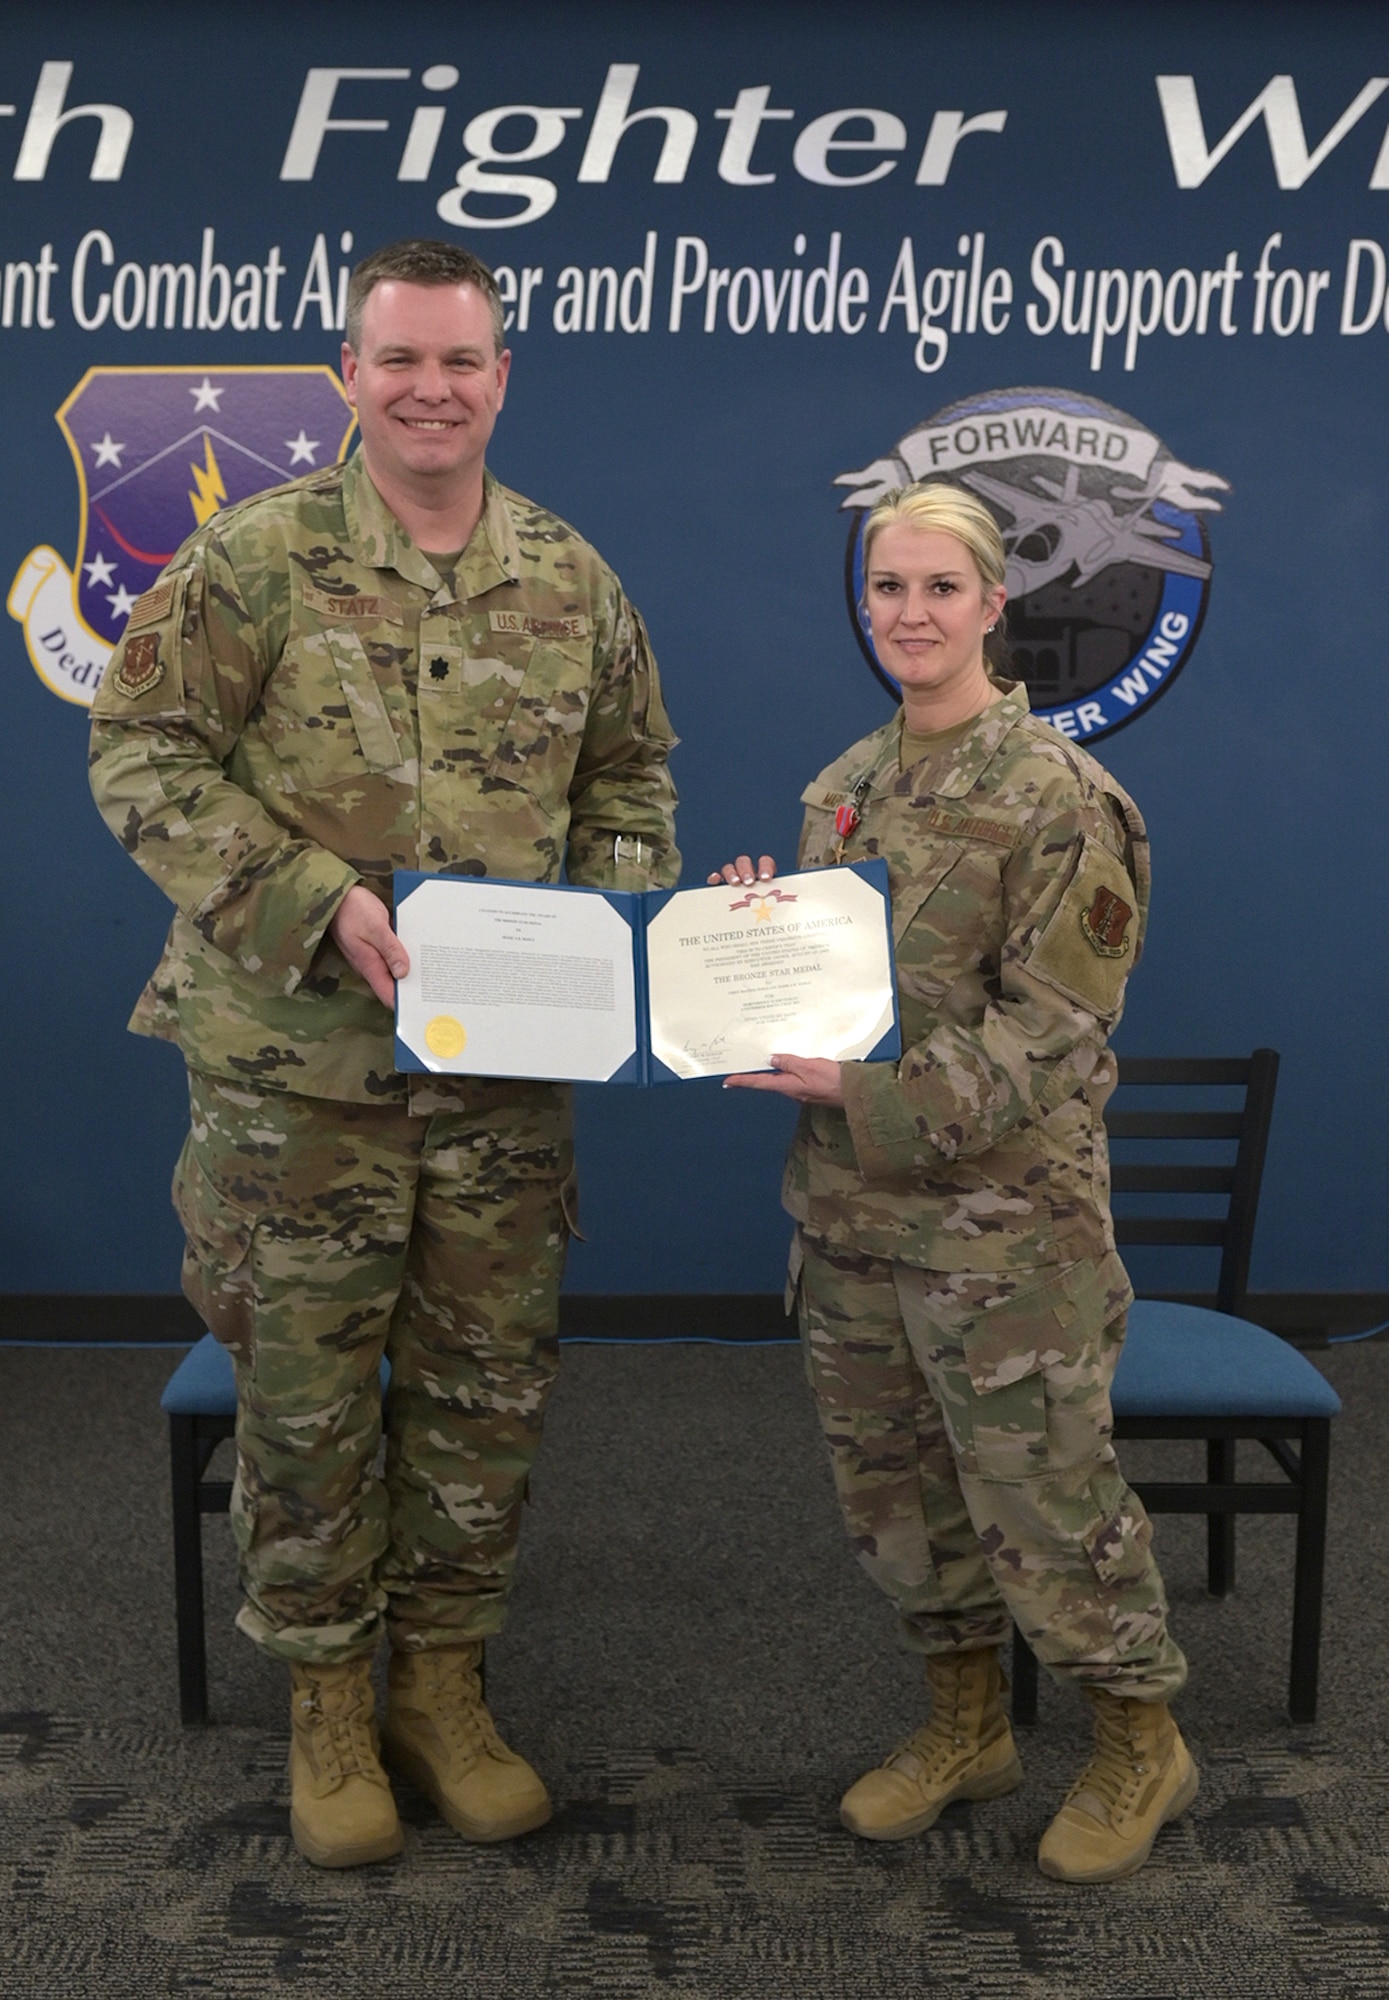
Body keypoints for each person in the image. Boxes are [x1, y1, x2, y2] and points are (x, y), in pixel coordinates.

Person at [89, 240, 679, 1869]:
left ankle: (441, 1683)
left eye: (461, 361)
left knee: (488, 1398)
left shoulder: (571, 578)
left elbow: (630, 785)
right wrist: (309, 897)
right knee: (303, 1401)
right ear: (347, 374)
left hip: (502, 1086)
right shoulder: (254, 562)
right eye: (399, 359)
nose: (431, 388)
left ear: (503, 378)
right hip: (298, 1083)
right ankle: (329, 1701)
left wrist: (620, 937)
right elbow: (136, 752)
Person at [711, 480, 1193, 1884]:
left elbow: (1054, 1030)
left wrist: (861, 1095)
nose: (906, 613)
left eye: (936, 588)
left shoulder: (1058, 798)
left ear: (993, 604)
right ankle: (965, 1722)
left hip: (1002, 1244)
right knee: (899, 1503)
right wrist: (748, 943)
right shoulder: (843, 789)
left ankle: (1134, 1738)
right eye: (885, 588)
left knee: (1048, 1501)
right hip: (851, 1222)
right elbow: (829, 993)